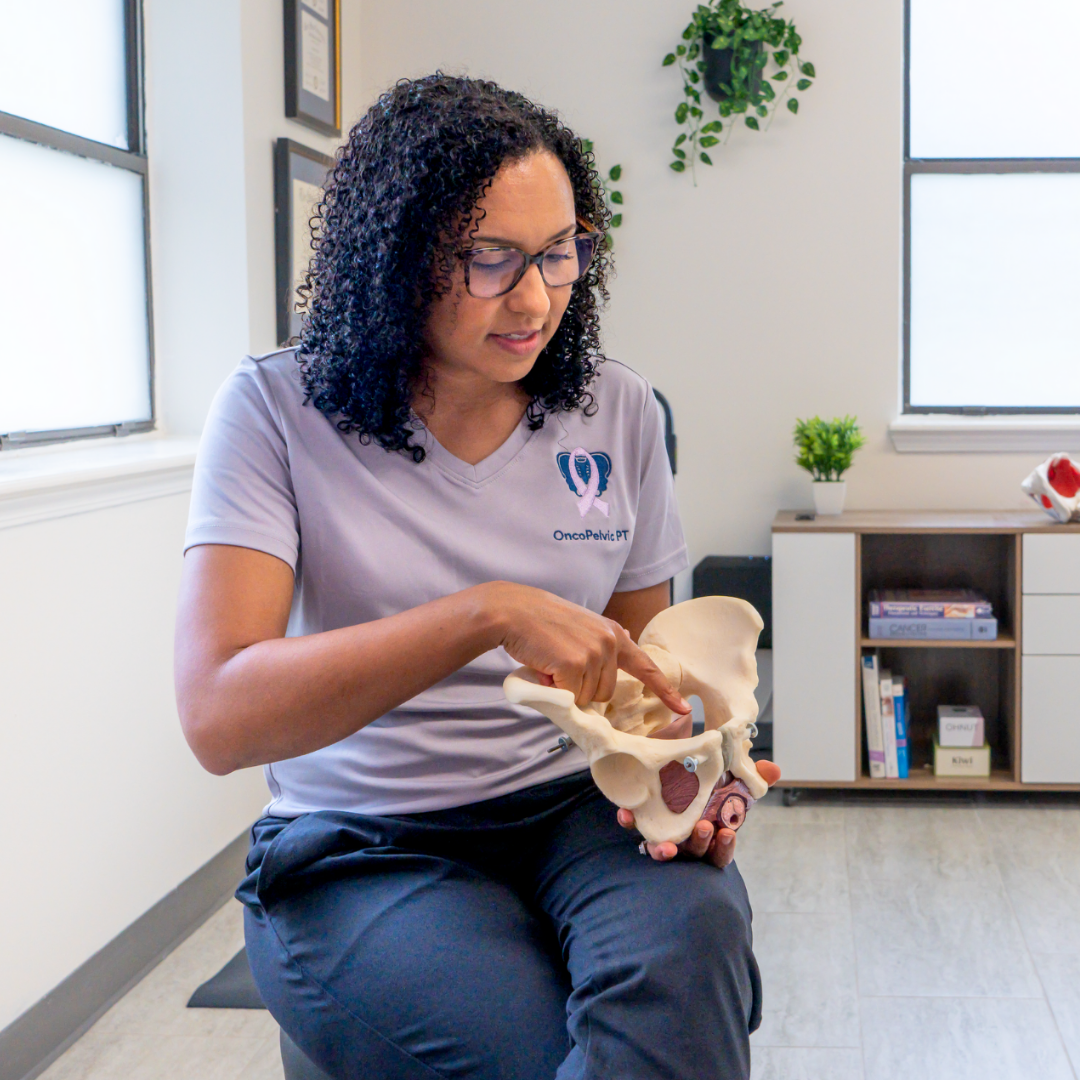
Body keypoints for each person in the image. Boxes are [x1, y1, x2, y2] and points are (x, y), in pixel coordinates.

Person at [175, 74, 780, 1080]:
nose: (536, 297)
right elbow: (218, 716)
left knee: (692, 964)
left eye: (558, 253)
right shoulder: (273, 414)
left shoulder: (617, 410)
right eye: (492, 259)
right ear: (397, 256)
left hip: (581, 811)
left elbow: (650, 685)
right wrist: (480, 616)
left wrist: (701, 771)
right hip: (362, 842)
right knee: (532, 1054)